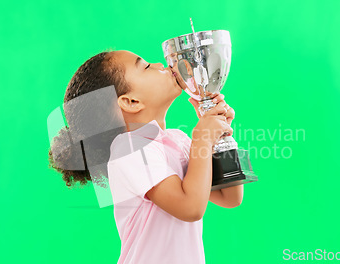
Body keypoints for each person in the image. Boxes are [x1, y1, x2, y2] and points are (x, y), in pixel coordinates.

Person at [48, 50, 243, 264]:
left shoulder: (176, 140)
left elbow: (230, 197)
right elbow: (190, 207)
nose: (160, 64)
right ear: (131, 102)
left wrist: (221, 137)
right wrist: (202, 140)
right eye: (146, 66)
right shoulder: (128, 150)